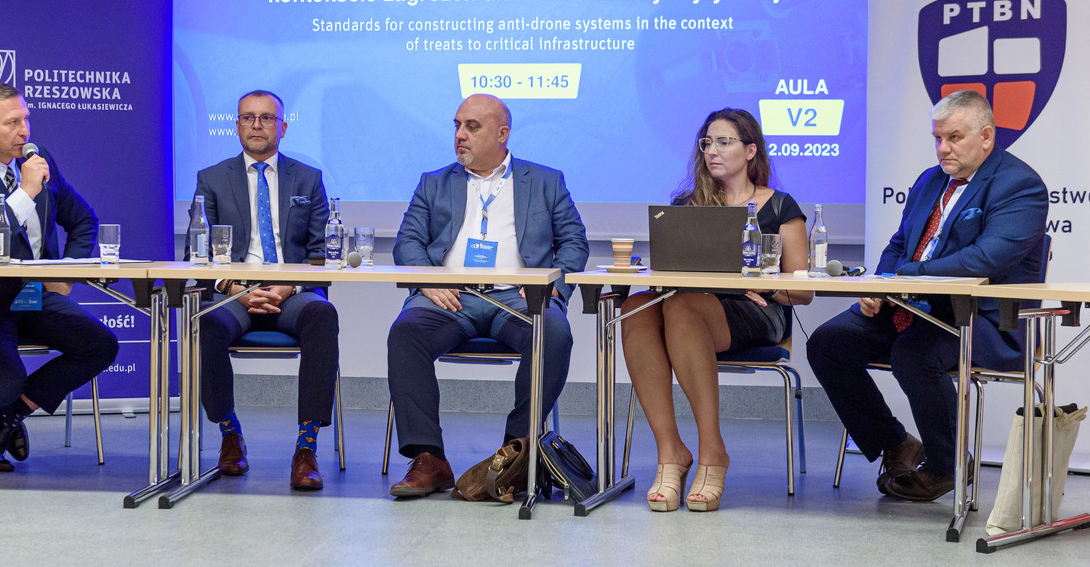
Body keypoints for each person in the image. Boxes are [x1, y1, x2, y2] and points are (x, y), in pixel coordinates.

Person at [805, 90, 1047, 502]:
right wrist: (880, 286)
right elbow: (900, 245)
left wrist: (905, 276)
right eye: (937, 138)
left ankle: (947, 465)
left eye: (954, 138)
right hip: (912, 308)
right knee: (828, 343)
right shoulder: (929, 181)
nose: (942, 149)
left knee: (915, 354)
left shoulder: (1020, 186)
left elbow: (987, 259)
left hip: (980, 320)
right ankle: (896, 443)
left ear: (986, 137)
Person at [385, 94, 589, 498]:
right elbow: (407, 242)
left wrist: (552, 288)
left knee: (552, 332)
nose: (459, 135)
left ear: (502, 134)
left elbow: (574, 242)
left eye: (472, 127)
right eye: (457, 125)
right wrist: (429, 281)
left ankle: (515, 452)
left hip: (518, 298)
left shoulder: (545, 181)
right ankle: (429, 458)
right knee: (405, 333)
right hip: (450, 299)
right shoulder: (434, 182)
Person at [622, 108, 813, 513]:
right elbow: (672, 271)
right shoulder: (686, 205)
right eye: (707, 143)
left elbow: (802, 291)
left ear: (750, 151)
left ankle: (712, 451)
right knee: (636, 306)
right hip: (690, 304)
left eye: (724, 142)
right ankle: (671, 451)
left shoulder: (780, 207)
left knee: (681, 307)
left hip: (756, 311)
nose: (712, 151)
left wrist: (760, 282)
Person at [0, 82, 118, 471]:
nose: (24, 131)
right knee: (5, 384)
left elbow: (83, 220)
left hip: (31, 296)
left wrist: (66, 274)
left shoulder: (40, 161)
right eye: (12, 122)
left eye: (26, 119)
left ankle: (6, 416)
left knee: (101, 345)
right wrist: (26, 191)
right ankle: (5, 405)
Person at [193, 89, 338, 490]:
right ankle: (229, 434)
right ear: (237, 126)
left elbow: (322, 253)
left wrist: (288, 286)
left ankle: (306, 446)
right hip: (234, 294)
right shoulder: (212, 178)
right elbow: (198, 253)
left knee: (323, 314)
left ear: (283, 127)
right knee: (207, 321)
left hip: (292, 294)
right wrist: (236, 288)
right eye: (248, 117)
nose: (257, 125)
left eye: (266, 118)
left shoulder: (308, 179)